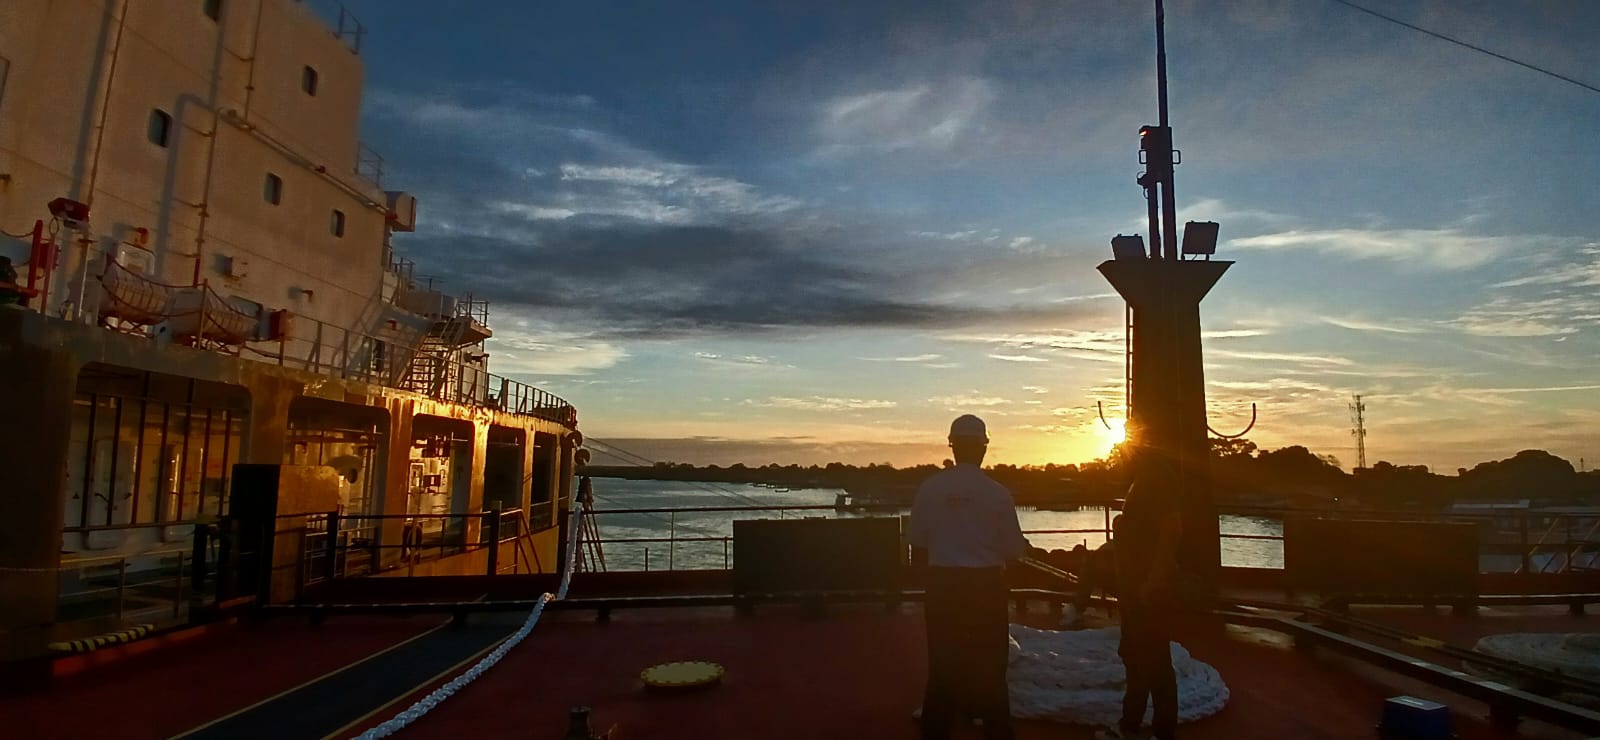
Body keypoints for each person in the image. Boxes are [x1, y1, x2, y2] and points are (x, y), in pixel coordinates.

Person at [910, 414, 1029, 740]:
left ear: (953, 447)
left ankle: (936, 730)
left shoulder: (930, 489)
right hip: (986, 588)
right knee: (991, 668)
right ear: (983, 449)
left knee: (943, 667)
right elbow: (1013, 549)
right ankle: (996, 731)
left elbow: (917, 545)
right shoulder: (997, 494)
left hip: (943, 587)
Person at [1098, 465, 1184, 740]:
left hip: (1148, 594)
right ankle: (1130, 725)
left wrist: (1152, 584)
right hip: (1134, 592)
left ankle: (1162, 731)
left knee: (1155, 663)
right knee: (1134, 658)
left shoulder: (1158, 484)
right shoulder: (1143, 485)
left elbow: (1168, 540)